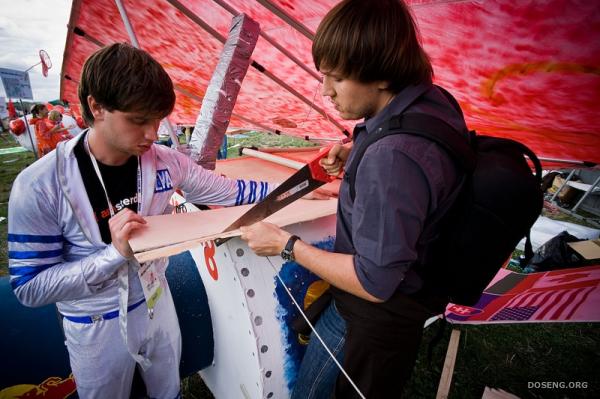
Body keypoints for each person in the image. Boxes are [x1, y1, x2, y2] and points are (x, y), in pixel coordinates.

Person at [8, 43, 277, 398]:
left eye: (157, 119)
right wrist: (114, 255)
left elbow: (228, 191)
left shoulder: (166, 161)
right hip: (93, 322)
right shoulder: (39, 185)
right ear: (96, 107)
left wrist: (300, 186)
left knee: (167, 389)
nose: (152, 134)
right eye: (138, 121)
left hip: (156, 297)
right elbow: (29, 287)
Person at [239, 0, 469, 397]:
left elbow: (374, 282)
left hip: (372, 316)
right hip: (412, 296)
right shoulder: (431, 101)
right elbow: (414, 159)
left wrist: (287, 245)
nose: (326, 91)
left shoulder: (392, 156)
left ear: (381, 75)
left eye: (337, 78)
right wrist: (358, 149)